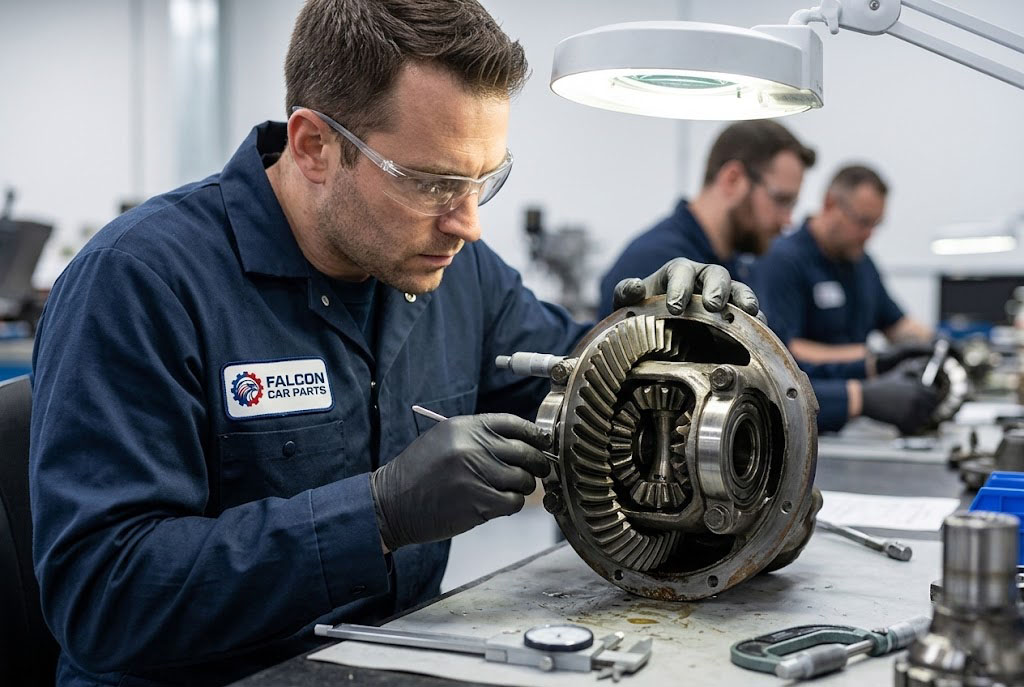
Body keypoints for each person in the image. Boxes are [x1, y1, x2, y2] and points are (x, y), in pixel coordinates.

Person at [28, 2, 760, 685]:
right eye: (433, 183)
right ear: (314, 146)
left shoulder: (457, 272)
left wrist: (679, 342)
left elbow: (593, 393)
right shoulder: (141, 282)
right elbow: (102, 597)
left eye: (483, 180)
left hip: (393, 658)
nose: (466, 223)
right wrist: (377, 513)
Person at [600, 124, 938, 434]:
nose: (788, 221)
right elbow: (723, 393)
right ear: (733, 179)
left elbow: (775, 366)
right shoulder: (658, 262)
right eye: (781, 200)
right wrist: (855, 397)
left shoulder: (736, 268)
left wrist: (870, 369)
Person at [753, 164, 933, 366]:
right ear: (830, 204)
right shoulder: (782, 260)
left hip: (861, 389)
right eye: (862, 222)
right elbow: (783, 350)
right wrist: (869, 356)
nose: (868, 234)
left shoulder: (863, 264)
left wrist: (936, 342)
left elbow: (896, 325)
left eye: (875, 224)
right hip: (811, 393)